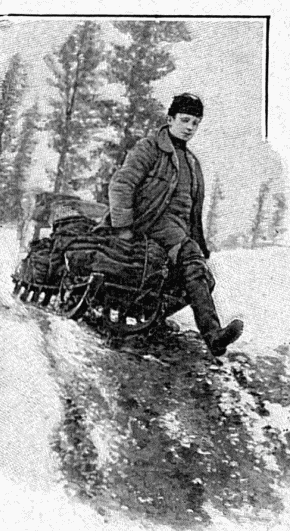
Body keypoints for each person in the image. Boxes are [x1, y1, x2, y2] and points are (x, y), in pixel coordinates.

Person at [107, 93, 243, 356]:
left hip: (178, 231)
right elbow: (121, 184)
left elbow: (191, 211)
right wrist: (123, 227)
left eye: (195, 123)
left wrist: (199, 245)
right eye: (185, 120)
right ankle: (213, 335)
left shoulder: (192, 162)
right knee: (192, 262)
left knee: (203, 277)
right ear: (170, 119)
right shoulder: (150, 148)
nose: (190, 127)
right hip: (151, 221)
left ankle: (151, 318)